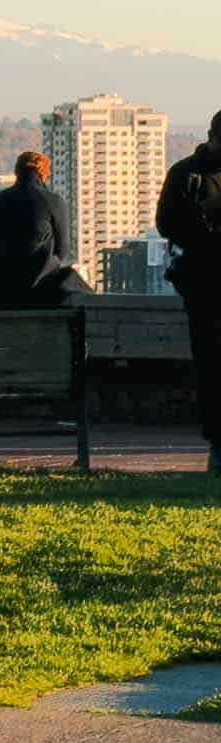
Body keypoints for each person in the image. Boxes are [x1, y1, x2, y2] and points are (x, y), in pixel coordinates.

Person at [156, 115, 221, 477]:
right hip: (206, 285)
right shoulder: (187, 175)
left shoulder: (187, 174)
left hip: (202, 281)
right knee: (213, 364)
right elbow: (167, 223)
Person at [0, 151, 84, 309]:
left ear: (17, 172)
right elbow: (63, 250)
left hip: (1, 283)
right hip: (39, 282)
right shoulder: (53, 201)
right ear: (44, 173)